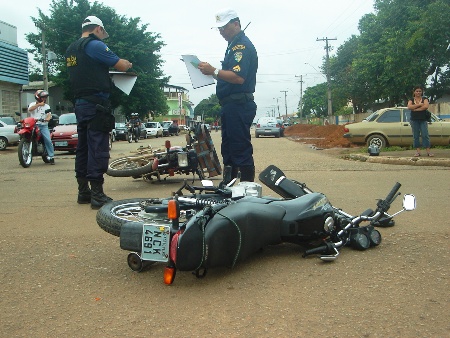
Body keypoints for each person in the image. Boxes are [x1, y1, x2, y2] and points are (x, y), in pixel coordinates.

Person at [65, 16, 133, 209]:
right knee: (98, 146)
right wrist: (127, 64)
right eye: (103, 34)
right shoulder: (94, 45)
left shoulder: (72, 48)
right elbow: (120, 65)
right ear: (98, 29)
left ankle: (83, 191)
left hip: (80, 103)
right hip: (96, 104)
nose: (103, 38)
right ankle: (97, 194)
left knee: (83, 147)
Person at [198, 8, 258, 182]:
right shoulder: (232, 46)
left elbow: (238, 77)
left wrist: (214, 71)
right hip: (230, 105)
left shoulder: (242, 46)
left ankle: (247, 190)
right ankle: (229, 187)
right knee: (229, 150)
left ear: (236, 24)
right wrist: (211, 71)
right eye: (219, 29)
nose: (221, 32)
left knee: (240, 149)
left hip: (239, 104)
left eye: (224, 27)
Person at [28, 90, 55, 164]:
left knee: (48, 140)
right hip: (33, 125)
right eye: (43, 97)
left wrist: (47, 119)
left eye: (45, 97)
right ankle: (24, 156)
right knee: (25, 136)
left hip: (43, 125)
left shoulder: (47, 106)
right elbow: (30, 109)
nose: (44, 99)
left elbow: (49, 115)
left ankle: (51, 156)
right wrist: (39, 105)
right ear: (38, 97)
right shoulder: (32, 104)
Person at [407, 86, 433, 157]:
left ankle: (428, 151)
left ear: (422, 92)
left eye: (419, 91)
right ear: (414, 92)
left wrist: (415, 109)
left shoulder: (424, 99)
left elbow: (426, 106)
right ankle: (418, 152)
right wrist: (419, 105)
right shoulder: (411, 100)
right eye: (417, 91)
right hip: (414, 120)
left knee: (425, 135)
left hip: (423, 120)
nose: (418, 92)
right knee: (416, 136)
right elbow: (409, 107)